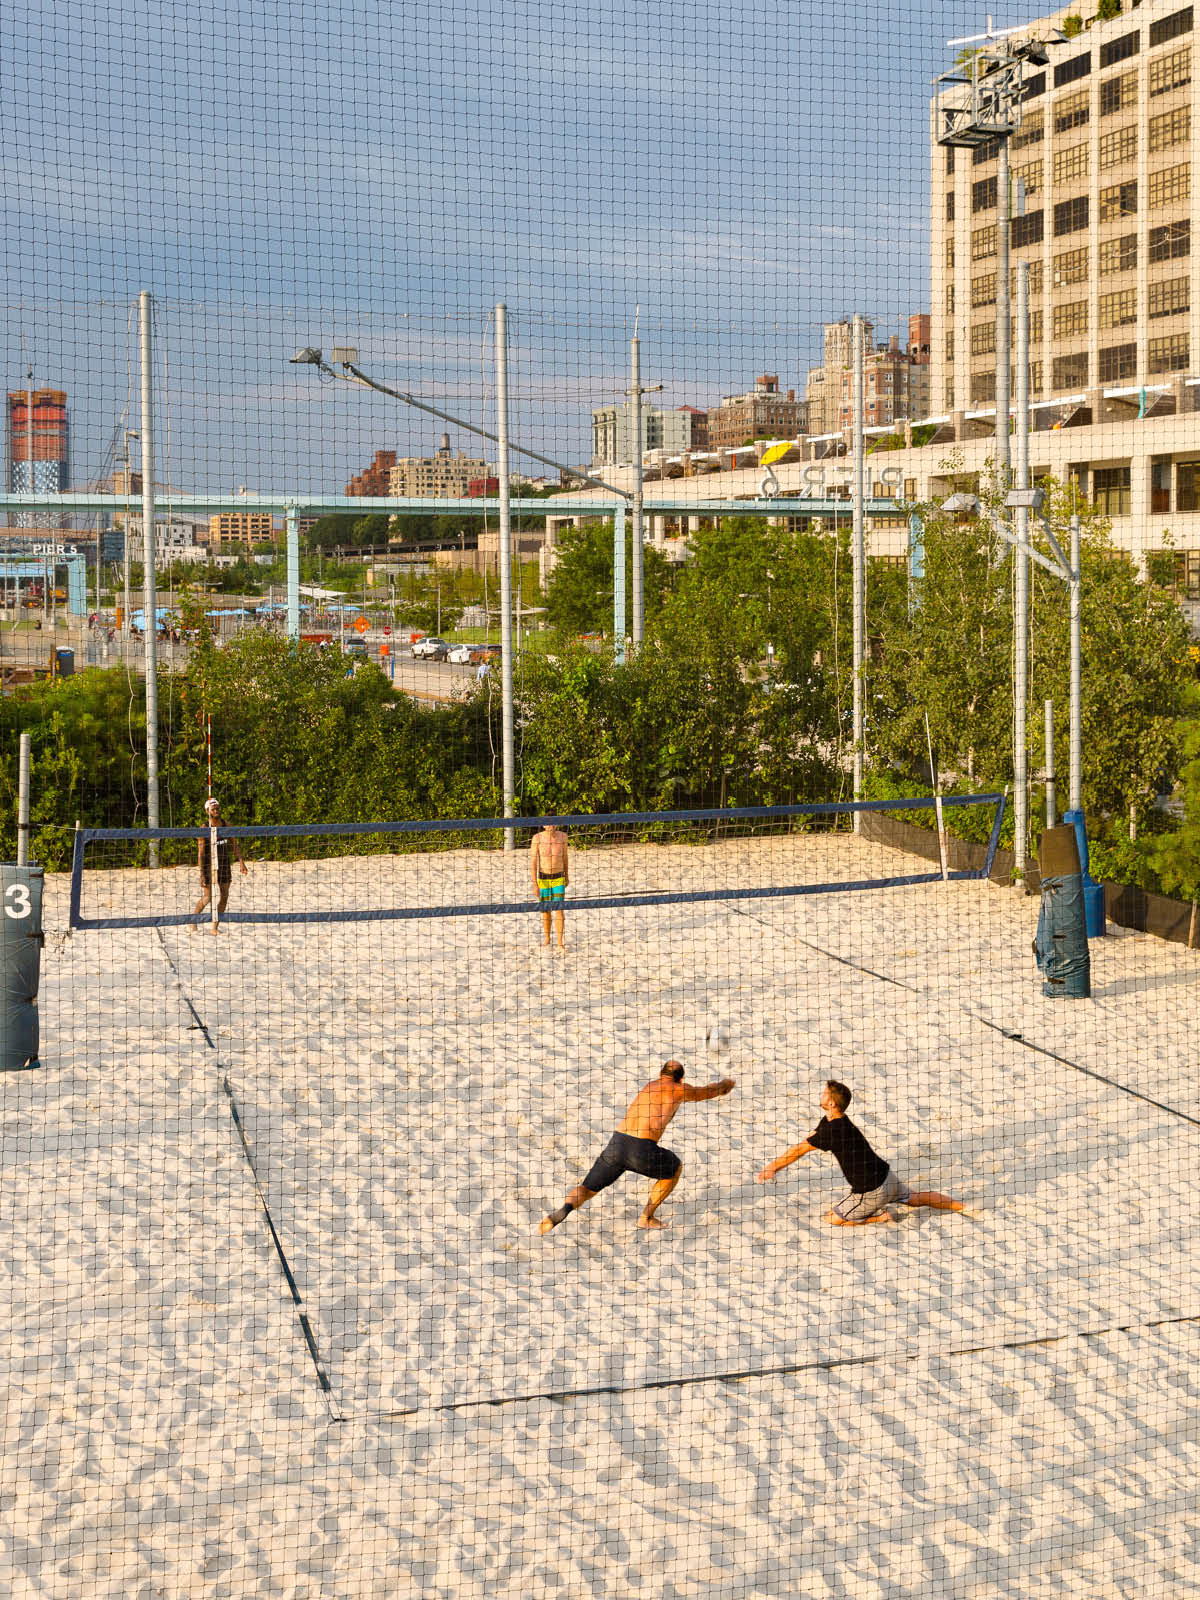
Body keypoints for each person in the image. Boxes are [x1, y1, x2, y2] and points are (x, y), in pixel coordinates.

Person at [540, 1060, 736, 1233]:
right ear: (681, 1079)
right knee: (674, 1169)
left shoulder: (649, 1087)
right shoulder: (679, 1089)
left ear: (661, 1074)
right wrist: (724, 1085)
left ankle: (565, 1209)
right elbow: (707, 1092)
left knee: (588, 1189)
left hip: (616, 1144)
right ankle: (647, 1217)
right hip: (641, 1149)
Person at [757, 1079, 964, 1227]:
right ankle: (960, 1207)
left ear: (831, 1103)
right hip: (887, 1177)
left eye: (824, 1093)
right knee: (916, 1198)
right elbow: (809, 1138)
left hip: (871, 1191)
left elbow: (799, 1149)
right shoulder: (835, 1120)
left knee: (832, 1219)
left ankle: (881, 1218)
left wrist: (771, 1168)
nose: (821, 1094)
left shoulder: (833, 1131)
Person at [192, 797, 247, 934]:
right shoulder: (204, 828)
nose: (216, 810)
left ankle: (214, 928)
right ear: (207, 811)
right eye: (213, 809)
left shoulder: (226, 825)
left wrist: (241, 862)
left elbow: (234, 844)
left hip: (223, 863)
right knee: (207, 897)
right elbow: (201, 853)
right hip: (209, 865)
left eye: (217, 808)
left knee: (224, 896)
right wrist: (202, 874)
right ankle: (193, 922)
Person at [530, 821, 569, 949]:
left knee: (559, 909)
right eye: (548, 824)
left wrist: (567, 876)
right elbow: (533, 862)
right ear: (544, 825)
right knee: (546, 910)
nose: (551, 826)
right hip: (543, 878)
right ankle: (547, 937)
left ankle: (559, 942)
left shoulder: (563, 836)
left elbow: (565, 858)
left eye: (553, 823)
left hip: (559, 877)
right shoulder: (537, 838)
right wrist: (535, 884)